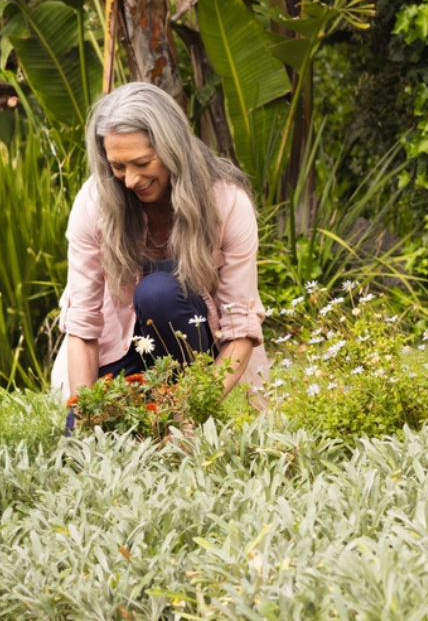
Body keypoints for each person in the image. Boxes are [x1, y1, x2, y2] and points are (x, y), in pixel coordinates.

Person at [52, 81, 269, 405]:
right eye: (117, 166)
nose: (130, 180)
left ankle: (180, 405)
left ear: (173, 148)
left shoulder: (227, 203)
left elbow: (240, 328)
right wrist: (84, 413)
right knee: (96, 436)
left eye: (142, 163)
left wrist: (194, 407)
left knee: (158, 294)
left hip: (203, 366)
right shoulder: (94, 202)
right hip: (123, 352)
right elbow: (83, 324)